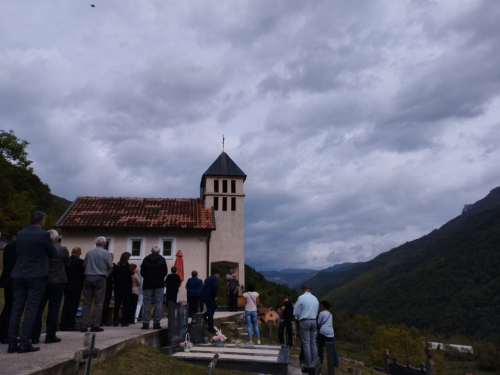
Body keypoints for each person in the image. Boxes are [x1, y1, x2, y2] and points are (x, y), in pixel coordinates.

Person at [8, 211, 58, 354]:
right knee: (31, 308)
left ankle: (12, 342)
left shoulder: (20, 234)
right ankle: (25, 342)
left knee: (16, 308)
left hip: (18, 274)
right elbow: (53, 253)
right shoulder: (43, 235)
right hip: (36, 275)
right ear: (42, 221)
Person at [32, 229, 70, 344]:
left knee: (37, 309)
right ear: (57, 238)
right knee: (53, 309)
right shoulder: (62, 249)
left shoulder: (39, 249)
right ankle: (50, 335)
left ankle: (34, 336)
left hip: (42, 281)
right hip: (57, 282)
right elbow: (68, 264)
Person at [80, 236, 114, 333]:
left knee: (86, 303)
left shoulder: (89, 253)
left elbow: (84, 265)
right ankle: (95, 325)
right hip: (100, 277)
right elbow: (111, 267)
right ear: (104, 244)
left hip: (88, 277)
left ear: (95, 243)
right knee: (99, 303)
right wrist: (105, 275)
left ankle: (83, 325)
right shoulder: (106, 253)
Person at [141, 244, 168, 330]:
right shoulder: (162, 260)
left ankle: (145, 323)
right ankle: (156, 323)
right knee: (158, 303)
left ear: (151, 251)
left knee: (147, 304)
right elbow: (165, 272)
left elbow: (142, 273)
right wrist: (160, 277)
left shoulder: (145, 259)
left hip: (147, 283)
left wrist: (148, 277)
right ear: (159, 251)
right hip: (159, 283)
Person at [294, 284, 319, 371]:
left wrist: (297, 319)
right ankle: (315, 364)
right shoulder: (315, 298)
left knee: (306, 343)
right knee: (313, 343)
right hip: (314, 320)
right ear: (308, 289)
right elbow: (316, 309)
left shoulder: (301, 298)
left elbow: (296, 312)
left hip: (304, 321)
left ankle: (308, 365)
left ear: (301, 290)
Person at [60, 247, 85, 331]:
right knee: (73, 305)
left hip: (66, 285)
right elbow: (83, 275)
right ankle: (70, 323)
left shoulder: (67, 261)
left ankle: (63, 323)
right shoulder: (81, 262)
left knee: (66, 303)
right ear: (79, 253)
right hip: (76, 286)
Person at [0, 241, 17, 344]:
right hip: (14, 280)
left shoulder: (8, 247)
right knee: (12, 308)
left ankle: (3, 332)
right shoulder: (19, 249)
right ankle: (6, 333)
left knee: (7, 306)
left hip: (6, 279)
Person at [317, 300, 339, 367]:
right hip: (331, 332)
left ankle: (320, 361)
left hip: (323, 331)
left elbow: (318, 322)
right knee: (332, 348)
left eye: (322, 305)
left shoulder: (321, 313)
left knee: (320, 347)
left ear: (323, 306)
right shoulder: (330, 314)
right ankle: (336, 363)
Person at [113, 252, 133, 327]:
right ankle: (124, 320)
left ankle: (115, 320)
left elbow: (113, 276)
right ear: (127, 258)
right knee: (126, 304)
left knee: (117, 303)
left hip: (117, 287)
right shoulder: (128, 267)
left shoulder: (117, 267)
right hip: (126, 287)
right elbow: (132, 275)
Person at [101, 253, 115, 326]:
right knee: (106, 303)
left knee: (102, 303)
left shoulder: (102, 265)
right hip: (108, 285)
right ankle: (103, 319)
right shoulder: (112, 266)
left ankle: (102, 319)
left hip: (102, 285)